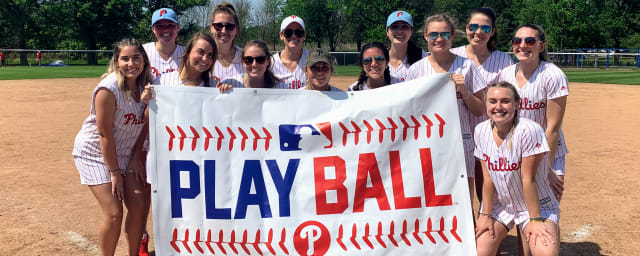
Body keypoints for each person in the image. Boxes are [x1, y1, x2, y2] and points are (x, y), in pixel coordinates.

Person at [72, 38, 153, 256]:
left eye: (136, 58)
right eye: (125, 58)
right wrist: (115, 172)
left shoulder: (148, 87)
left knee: (139, 207)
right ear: (117, 62)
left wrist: (136, 156)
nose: (131, 63)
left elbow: (146, 125)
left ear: (144, 61)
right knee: (114, 212)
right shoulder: (108, 89)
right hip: (96, 152)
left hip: (127, 152)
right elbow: (103, 134)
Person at [406, 14, 486, 205]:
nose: (439, 39)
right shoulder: (416, 70)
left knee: (464, 196)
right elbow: (408, 112)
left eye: (444, 34)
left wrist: (465, 91)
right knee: (432, 193)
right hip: (428, 142)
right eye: (433, 34)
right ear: (425, 36)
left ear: (452, 36)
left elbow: (479, 110)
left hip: (461, 140)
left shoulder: (467, 67)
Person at [474, 81, 560, 256]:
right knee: (479, 251)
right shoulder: (481, 130)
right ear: (486, 104)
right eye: (492, 101)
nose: (498, 107)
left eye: (505, 101)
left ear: (517, 104)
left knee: (546, 252)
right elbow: (488, 178)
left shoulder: (529, 130)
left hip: (536, 205)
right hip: (503, 205)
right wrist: (485, 214)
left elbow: (528, 178)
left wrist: (535, 219)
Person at [492, 24, 568, 202]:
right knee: (519, 208)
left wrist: (545, 169)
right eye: (517, 41)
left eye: (530, 41)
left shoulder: (552, 75)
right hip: (515, 150)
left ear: (541, 46)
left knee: (546, 211)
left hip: (547, 152)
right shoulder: (506, 74)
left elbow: (553, 128)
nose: (523, 45)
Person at [450, 6, 514, 205]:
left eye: (485, 29)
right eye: (473, 26)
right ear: (466, 27)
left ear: (492, 31)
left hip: (492, 133)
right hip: (458, 132)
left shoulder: (503, 60)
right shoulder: (452, 54)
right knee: (459, 188)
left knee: (488, 187)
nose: (478, 32)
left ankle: (489, 228)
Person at [150, 32, 219, 88]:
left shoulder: (215, 87)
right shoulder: (163, 81)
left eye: (210, 55)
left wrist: (226, 94)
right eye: (200, 52)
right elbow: (152, 105)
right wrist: (147, 99)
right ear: (188, 51)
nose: (205, 59)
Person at [221, 40, 285, 88]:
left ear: (268, 61)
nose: (254, 64)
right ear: (242, 62)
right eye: (248, 60)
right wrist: (222, 91)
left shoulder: (281, 87)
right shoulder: (230, 84)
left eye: (260, 59)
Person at [385, 10, 428, 84]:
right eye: (394, 27)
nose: (399, 31)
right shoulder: (379, 57)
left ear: (411, 31)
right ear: (387, 31)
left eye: (405, 27)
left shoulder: (422, 57)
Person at [143, 8, 185, 80]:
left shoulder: (188, 52)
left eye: (170, 25)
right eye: (159, 26)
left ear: (177, 27)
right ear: (153, 29)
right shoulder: (143, 51)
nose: (165, 30)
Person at [271, 15, 309, 89]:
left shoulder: (312, 59)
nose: (294, 36)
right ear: (281, 35)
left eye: (298, 32)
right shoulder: (271, 63)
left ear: (304, 35)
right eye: (288, 32)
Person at [209, 2, 245, 81]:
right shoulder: (203, 58)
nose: (224, 31)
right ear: (211, 27)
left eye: (229, 26)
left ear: (236, 29)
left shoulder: (247, 58)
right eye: (218, 26)